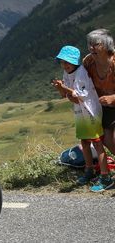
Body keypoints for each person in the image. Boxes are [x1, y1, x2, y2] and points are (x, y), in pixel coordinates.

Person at [51, 45, 113, 192]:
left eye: (67, 62)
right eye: (62, 62)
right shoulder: (67, 73)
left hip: (91, 112)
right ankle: (89, 170)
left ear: (74, 62)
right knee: (85, 142)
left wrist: (63, 87)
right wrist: (59, 87)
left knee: (97, 144)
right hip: (80, 112)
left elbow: (79, 95)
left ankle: (106, 177)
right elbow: (65, 95)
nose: (65, 65)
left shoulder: (81, 73)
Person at [82, 29, 115, 155]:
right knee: (107, 139)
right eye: (89, 44)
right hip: (102, 107)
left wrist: (113, 97)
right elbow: (82, 81)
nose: (91, 47)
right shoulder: (88, 61)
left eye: (96, 44)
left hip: (111, 104)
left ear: (107, 45)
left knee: (108, 138)